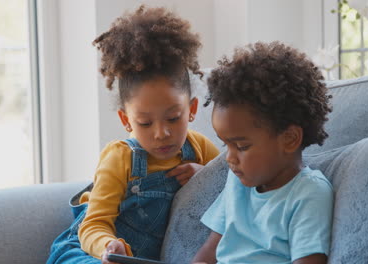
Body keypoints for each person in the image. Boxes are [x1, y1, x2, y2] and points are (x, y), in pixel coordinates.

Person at [47, 5, 220, 264]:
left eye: (173, 118)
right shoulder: (120, 157)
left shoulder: (201, 150)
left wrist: (203, 178)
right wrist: (108, 246)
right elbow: (92, 226)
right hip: (89, 252)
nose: (162, 133)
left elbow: (231, 193)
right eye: (145, 123)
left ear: (192, 109)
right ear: (126, 120)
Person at [192, 41, 334, 264]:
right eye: (225, 145)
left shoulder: (309, 194)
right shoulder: (237, 182)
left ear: (289, 139)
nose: (229, 158)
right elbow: (209, 253)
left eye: (241, 147)